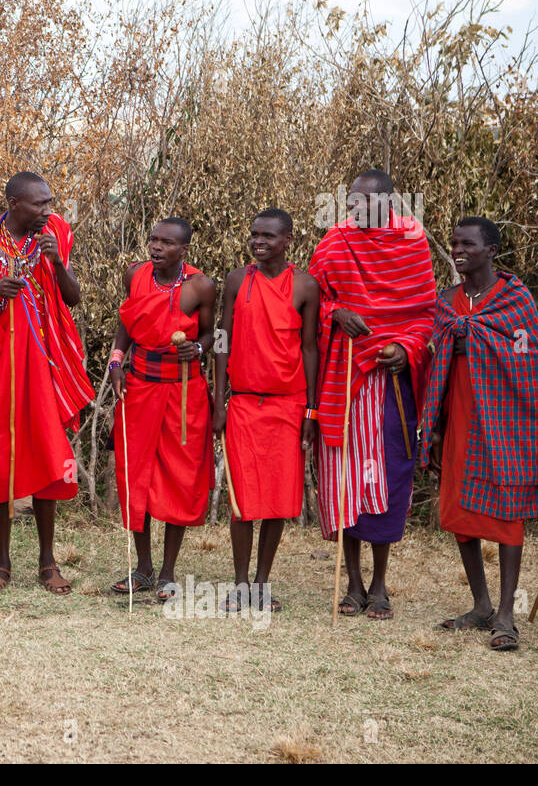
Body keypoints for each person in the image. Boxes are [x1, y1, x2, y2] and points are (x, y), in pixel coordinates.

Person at [0, 172, 94, 596]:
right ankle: (2, 562)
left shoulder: (55, 236)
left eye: (50, 203)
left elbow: (73, 298)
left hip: (46, 362)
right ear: (14, 203)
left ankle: (48, 563)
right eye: (39, 204)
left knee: (47, 451)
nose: (48, 210)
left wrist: (56, 263)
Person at [422, 217, 538, 651]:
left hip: (504, 422)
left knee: (506, 511)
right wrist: (435, 428)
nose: (459, 250)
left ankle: (506, 616)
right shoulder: (448, 301)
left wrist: (475, 342)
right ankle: (480, 606)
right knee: (460, 508)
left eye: (469, 244)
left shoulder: (514, 299)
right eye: (455, 243)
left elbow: (530, 353)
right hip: (458, 417)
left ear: (492, 250)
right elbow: (437, 356)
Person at [309, 170, 436, 621]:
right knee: (345, 478)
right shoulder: (334, 243)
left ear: (389, 203)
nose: (356, 208)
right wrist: (336, 312)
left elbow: (426, 314)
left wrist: (406, 348)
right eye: (352, 200)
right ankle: (354, 583)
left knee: (387, 478)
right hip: (343, 377)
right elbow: (310, 302)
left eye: (368, 201)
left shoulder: (412, 243)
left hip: (390, 386)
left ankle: (380, 585)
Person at [211, 208, 319, 612]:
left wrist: (311, 410)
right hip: (242, 402)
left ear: (287, 239)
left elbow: (310, 349)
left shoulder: (305, 285)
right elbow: (222, 338)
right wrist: (219, 399)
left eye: (268, 236)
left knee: (276, 499)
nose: (259, 242)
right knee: (241, 499)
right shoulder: (238, 280)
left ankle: (261, 584)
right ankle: (239, 584)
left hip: (287, 406)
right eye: (254, 234)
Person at [108, 218, 216, 601]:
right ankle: (143, 568)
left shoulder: (200, 286)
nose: (156, 247)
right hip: (139, 386)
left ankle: (169, 572)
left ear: (183, 250)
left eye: (166, 243)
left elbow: (209, 334)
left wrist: (198, 349)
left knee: (179, 478)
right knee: (136, 474)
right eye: (152, 239)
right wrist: (117, 361)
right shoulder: (134, 274)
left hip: (184, 390)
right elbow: (127, 324)